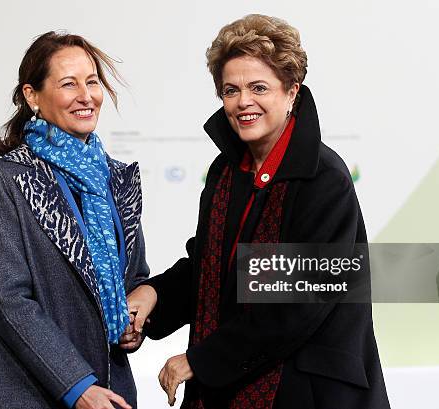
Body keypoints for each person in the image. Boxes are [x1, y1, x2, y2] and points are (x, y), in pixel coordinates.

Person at [125, 14, 390, 408]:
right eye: (230, 90)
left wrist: (199, 360)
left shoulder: (324, 179)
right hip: (235, 385)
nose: (243, 101)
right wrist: (153, 297)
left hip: (309, 393)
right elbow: (214, 270)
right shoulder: (227, 172)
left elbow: (296, 307)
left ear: (291, 92)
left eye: (258, 87)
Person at [0, 31, 148, 409]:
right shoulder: (5, 179)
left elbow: (135, 278)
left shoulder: (115, 180)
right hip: (26, 392)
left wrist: (134, 321)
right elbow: (9, 300)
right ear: (32, 96)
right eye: (69, 84)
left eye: (93, 81)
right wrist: (77, 386)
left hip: (110, 388)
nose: (86, 95)